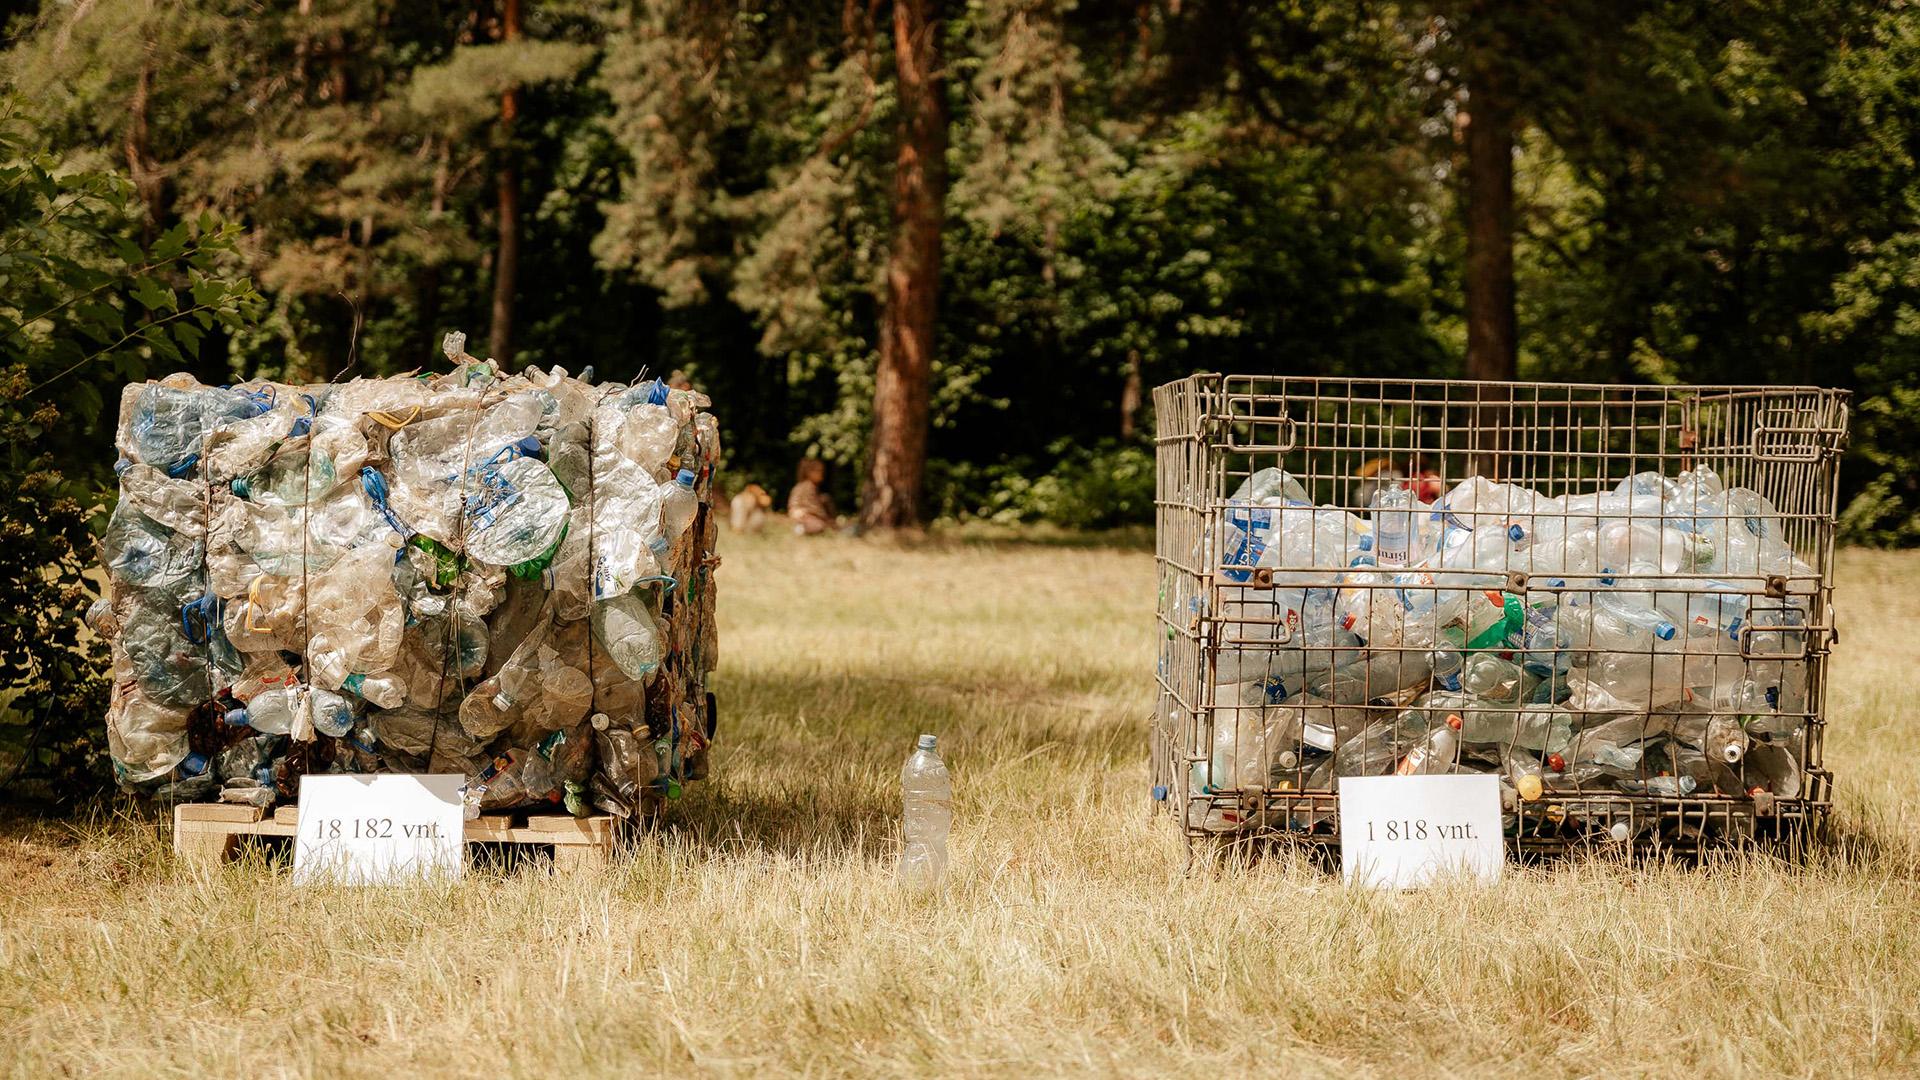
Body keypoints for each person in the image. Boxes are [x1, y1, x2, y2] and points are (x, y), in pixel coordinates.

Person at [787, 459, 835, 535]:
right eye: (819, 471)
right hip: (804, 515)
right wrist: (825, 517)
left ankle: (802, 528)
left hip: (805, 515)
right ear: (809, 473)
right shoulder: (808, 486)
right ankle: (801, 529)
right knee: (820, 526)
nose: (822, 474)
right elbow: (812, 505)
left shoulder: (805, 486)